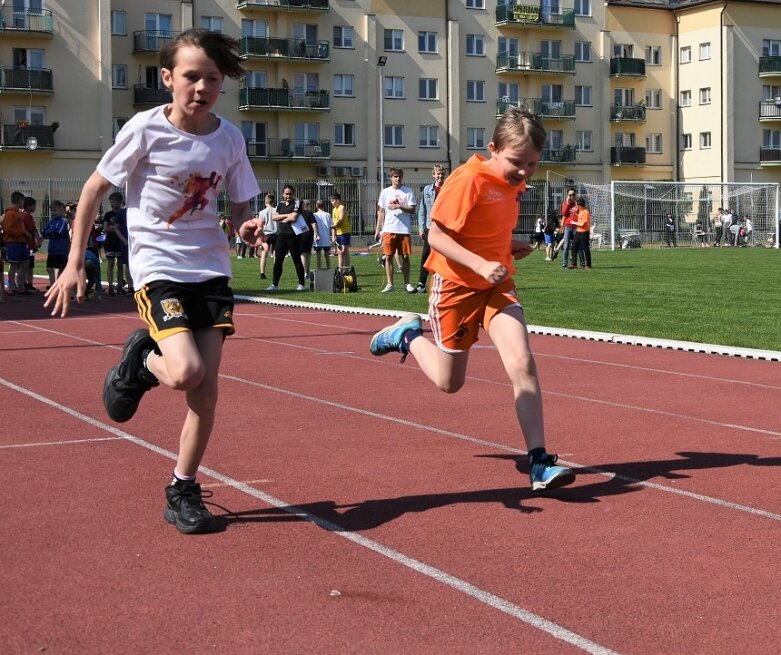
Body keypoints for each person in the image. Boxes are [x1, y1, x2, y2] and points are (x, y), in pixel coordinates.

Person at [44, 29, 259, 535]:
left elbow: (242, 201)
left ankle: (182, 487)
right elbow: (94, 191)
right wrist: (75, 261)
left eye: (212, 78)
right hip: (158, 267)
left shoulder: (229, 138)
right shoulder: (145, 130)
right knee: (184, 372)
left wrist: (247, 223)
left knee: (205, 393)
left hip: (211, 270)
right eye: (190, 77)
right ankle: (141, 358)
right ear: (167, 78)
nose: (201, 87)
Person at [368, 106, 575, 492]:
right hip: (456, 287)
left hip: (497, 285)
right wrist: (480, 263)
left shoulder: (515, 182)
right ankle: (408, 336)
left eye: (532, 164)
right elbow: (437, 237)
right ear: (493, 148)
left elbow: (485, 227)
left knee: (522, 363)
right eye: (517, 163)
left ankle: (539, 461)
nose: (524, 173)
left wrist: (506, 246)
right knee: (450, 383)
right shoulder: (467, 180)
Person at [376, 167, 417, 293]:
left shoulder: (408, 191)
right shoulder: (385, 192)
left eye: (399, 176)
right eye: (395, 176)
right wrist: (378, 229)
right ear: (391, 178)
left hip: (404, 229)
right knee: (388, 256)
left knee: (405, 256)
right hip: (389, 228)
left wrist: (400, 206)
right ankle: (390, 284)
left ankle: (407, 284)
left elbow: (413, 209)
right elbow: (381, 212)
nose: (397, 179)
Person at [267, 184, 307, 291]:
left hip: (293, 235)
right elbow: (274, 217)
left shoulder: (297, 203)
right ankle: (274, 285)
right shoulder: (280, 205)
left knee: (296, 260)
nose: (288, 196)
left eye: (290, 194)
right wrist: (286, 216)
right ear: (282, 194)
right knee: (278, 260)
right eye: (286, 194)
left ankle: (301, 284)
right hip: (281, 235)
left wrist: (284, 217)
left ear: (293, 194)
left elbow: (294, 218)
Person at [415, 163, 446, 294]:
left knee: (443, 256)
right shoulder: (427, 190)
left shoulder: (449, 188)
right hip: (430, 227)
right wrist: (421, 228)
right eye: (438, 173)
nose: (440, 176)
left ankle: (442, 282)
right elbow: (422, 209)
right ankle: (421, 283)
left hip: (444, 228)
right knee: (426, 255)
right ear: (433, 175)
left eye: (442, 173)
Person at [2, 191, 29, 295]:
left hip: (22, 242)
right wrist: (22, 232)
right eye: (23, 201)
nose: (24, 203)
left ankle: (21, 285)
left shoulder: (19, 213)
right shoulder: (10, 214)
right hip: (13, 243)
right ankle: (11, 287)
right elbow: (8, 229)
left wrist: (26, 233)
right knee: (14, 265)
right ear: (19, 201)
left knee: (24, 264)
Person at [102, 191, 129, 295]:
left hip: (121, 243)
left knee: (120, 265)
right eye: (111, 202)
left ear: (120, 202)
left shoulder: (123, 213)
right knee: (110, 264)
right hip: (110, 243)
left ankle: (120, 286)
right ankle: (110, 286)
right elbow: (105, 228)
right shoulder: (108, 215)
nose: (112, 204)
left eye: (114, 202)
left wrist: (114, 228)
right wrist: (116, 229)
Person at [42, 200, 71, 288]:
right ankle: (53, 286)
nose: (53, 212)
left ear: (62, 210)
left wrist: (50, 232)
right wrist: (50, 233)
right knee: (49, 269)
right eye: (52, 210)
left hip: (61, 250)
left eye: (55, 210)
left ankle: (62, 286)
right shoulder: (51, 222)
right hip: (52, 250)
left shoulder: (64, 221)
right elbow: (44, 233)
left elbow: (59, 233)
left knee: (61, 270)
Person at [21, 196, 42, 292]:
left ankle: (26, 284)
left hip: (24, 245)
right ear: (29, 206)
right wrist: (39, 240)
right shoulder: (27, 216)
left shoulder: (21, 215)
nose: (35, 207)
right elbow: (33, 230)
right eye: (34, 205)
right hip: (28, 245)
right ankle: (27, 284)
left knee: (25, 266)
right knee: (28, 266)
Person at [256, 194, 276, 280]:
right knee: (276, 255)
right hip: (276, 233)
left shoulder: (262, 212)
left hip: (266, 234)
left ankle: (262, 273)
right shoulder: (276, 210)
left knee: (264, 254)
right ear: (273, 201)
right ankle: (276, 272)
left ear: (265, 202)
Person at [570, 196, 592, 270]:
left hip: (584, 232)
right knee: (573, 247)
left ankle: (588, 264)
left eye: (577, 205)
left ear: (580, 205)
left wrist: (574, 222)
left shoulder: (586, 212)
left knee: (585, 249)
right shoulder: (579, 211)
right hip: (578, 232)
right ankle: (574, 264)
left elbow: (582, 224)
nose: (576, 206)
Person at [559, 186, 578, 269]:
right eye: (570, 195)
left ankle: (574, 264)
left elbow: (579, 214)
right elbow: (563, 213)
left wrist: (577, 204)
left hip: (576, 227)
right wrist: (567, 203)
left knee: (576, 246)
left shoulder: (577, 203)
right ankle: (564, 264)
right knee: (566, 245)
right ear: (567, 195)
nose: (571, 197)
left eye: (573, 195)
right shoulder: (565, 203)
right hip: (567, 226)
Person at [298, 199, 318, 279]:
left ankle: (304, 272)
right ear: (307, 205)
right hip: (309, 235)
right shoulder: (309, 213)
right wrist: (316, 234)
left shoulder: (298, 214)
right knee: (308, 254)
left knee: (303, 254)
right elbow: (314, 224)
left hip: (300, 234)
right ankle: (307, 271)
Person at [330, 192, 351, 268]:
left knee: (343, 251)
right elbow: (333, 222)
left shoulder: (342, 207)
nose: (331, 202)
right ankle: (340, 270)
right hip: (338, 233)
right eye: (331, 200)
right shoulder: (334, 210)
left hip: (344, 232)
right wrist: (333, 235)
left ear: (338, 200)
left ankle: (347, 269)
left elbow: (341, 220)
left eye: (332, 200)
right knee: (339, 252)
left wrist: (333, 226)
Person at [312, 199, 334, 270]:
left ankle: (319, 269)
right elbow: (331, 226)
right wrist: (333, 236)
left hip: (317, 238)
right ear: (324, 206)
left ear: (316, 206)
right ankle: (329, 268)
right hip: (326, 238)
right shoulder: (328, 215)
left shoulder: (314, 215)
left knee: (318, 255)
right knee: (327, 255)